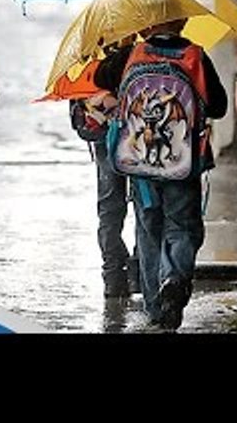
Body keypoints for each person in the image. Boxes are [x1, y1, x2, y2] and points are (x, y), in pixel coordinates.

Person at [94, 19, 227, 330]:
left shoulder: (131, 55)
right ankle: (174, 279)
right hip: (182, 162)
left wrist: (124, 50)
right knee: (183, 228)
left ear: (147, 26)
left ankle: (156, 310)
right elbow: (218, 107)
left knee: (149, 228)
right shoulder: (196, 56)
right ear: (183, 22)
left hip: (140, 161)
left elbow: (100, 76)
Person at [68, 38, 141, 299]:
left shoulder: (87, 56)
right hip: (138, 140)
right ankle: (137, 272)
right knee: (144, 206)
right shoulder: (140, 55)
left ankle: (113, 276)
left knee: (110, 207)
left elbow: (76, 102)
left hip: (104, 139)